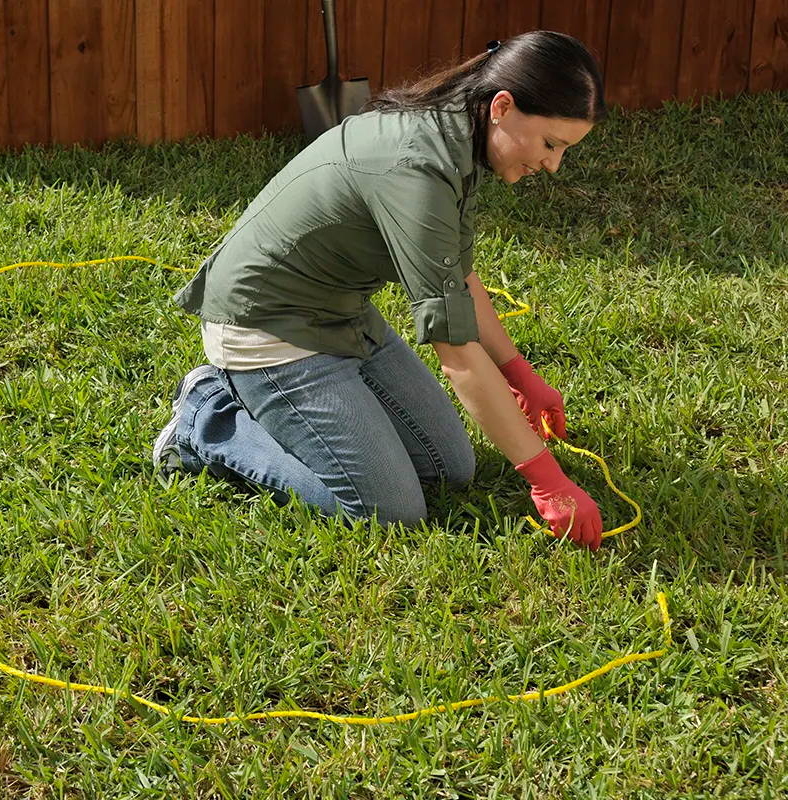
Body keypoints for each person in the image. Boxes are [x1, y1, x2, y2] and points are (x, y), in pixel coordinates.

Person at [153, 30, 607, 550]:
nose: (553, 164)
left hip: (343, 315)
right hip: (269, 330)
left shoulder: (460, 135)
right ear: (502, 105)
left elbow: (457, 277)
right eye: (551, 144)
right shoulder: (416, 164)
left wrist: (519, 374)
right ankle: (206, 418)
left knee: (450, 469)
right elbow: (456, 352)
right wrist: (546, 479)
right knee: (388, 512)